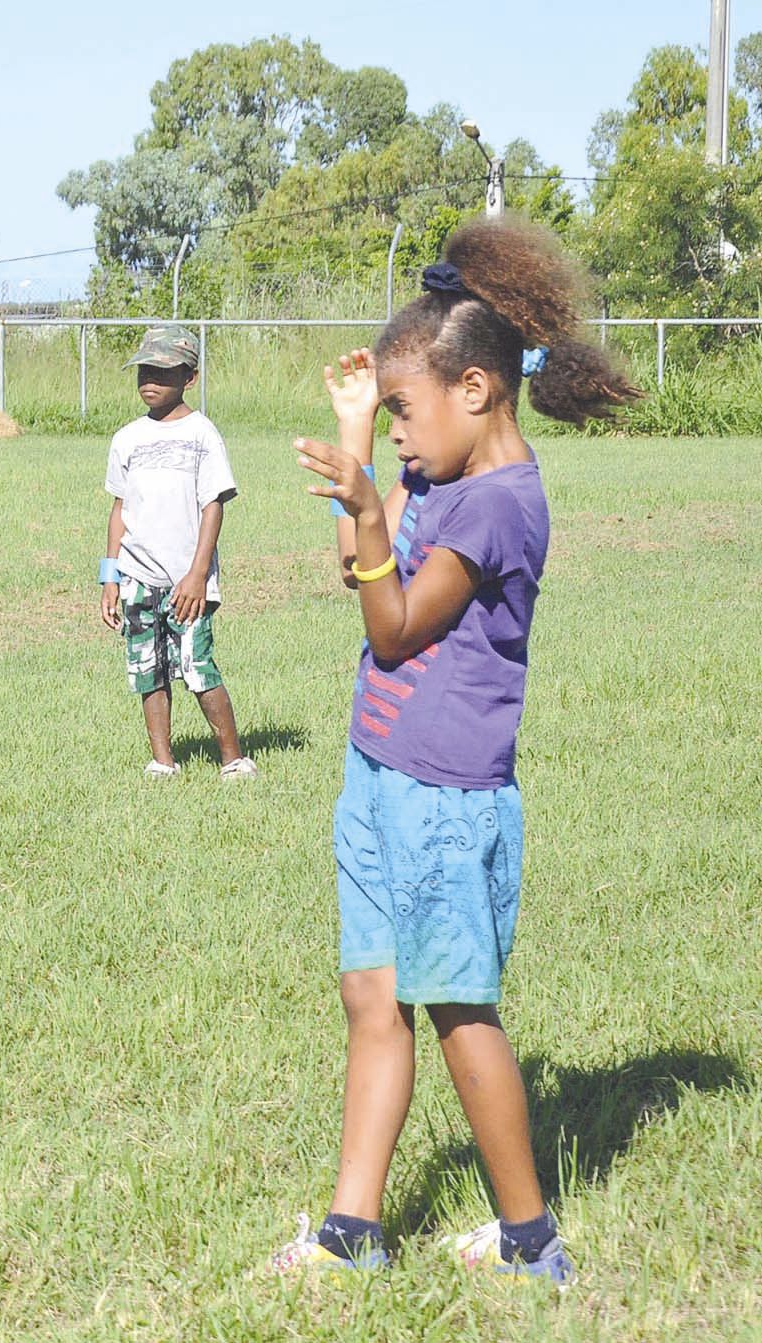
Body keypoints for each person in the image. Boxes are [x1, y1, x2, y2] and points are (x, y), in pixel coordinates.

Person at [273, 216, 638, 1279]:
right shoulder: (437, 475)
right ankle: (352, 1231)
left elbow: (391, 623)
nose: (395, 433)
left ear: (475, 389)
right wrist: (354, 450)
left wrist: (370, 518)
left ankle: (530, 1241)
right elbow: (359, 564)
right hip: (376, 771)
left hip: (442, 797)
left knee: (455, 1010)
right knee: (372, 995)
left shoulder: (499, 506)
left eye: (401, 409)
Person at [98, 324, 255, 779]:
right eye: (144, 370)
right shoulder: (126, 438)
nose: (150, 379)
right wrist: (110, 577)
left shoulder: (202, 434)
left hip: (188, 581)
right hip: (137, 577)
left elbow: (213, 506)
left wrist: (198, 575)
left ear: (190, 377)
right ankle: (163, 761)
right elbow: (119, 510)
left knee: (197, 667)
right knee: (148, 670)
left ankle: (232, 759)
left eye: (163, 371)